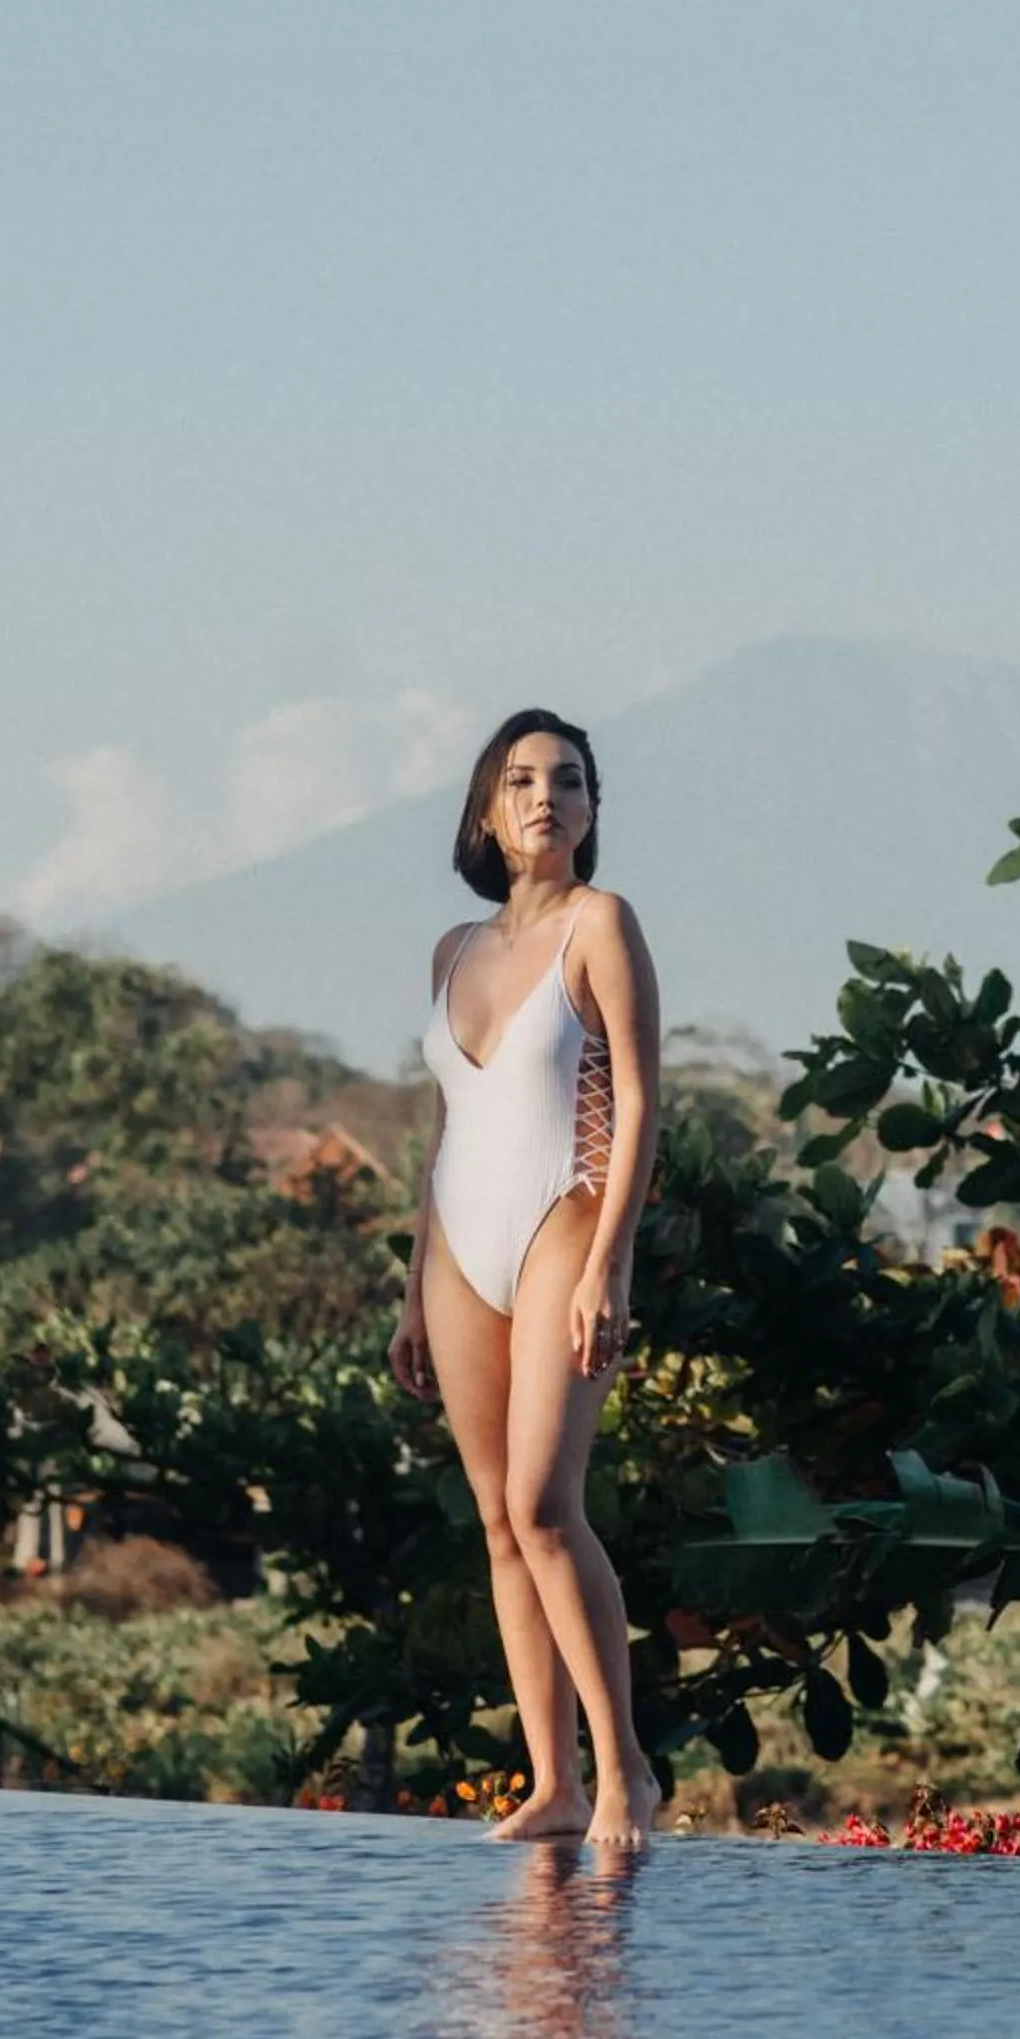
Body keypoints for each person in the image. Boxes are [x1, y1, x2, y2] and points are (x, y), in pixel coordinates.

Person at [388, 707, 664, 1846]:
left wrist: (609, 1264)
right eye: (522, 781)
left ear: (591, 809)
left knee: (545, 1505)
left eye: (569, 780)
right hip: (460, 1241)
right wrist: (414, 1288)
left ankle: (624, 1772)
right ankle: (553, 1783)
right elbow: (444, 1125)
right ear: (488, 814)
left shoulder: (601, 923)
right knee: (498, 1524)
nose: (547, 796)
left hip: (567, 1219)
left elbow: (640, 1103)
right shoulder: (452, 950)